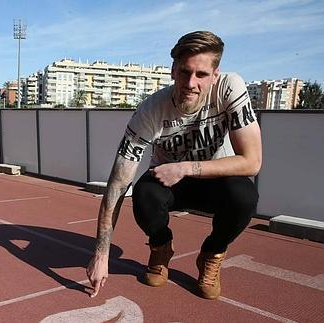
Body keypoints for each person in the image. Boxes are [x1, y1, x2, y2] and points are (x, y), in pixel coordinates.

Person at [86, 31, 262, 300]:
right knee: (143, 193)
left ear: (215, 76)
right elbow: (118, 183)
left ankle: (211, 254)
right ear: (172, 71)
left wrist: (186, 167)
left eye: (201, 75)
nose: (190, 83)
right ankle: (160, 247)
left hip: (216, 179)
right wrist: (101, 254)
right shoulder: (151, 110)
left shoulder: (230, 88)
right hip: (169, 183)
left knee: (245, 196)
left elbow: (252, 161)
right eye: (184, 72)